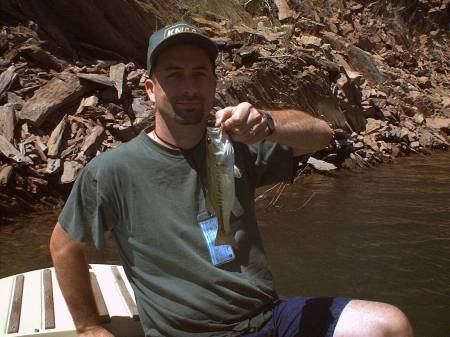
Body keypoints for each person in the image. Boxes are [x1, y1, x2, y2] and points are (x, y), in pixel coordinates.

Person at [49, 22, 413, 337]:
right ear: (150, 88)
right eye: (174, 74)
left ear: (213, 83)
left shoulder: (237, 143)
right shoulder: (113, 170)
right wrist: (88, 326)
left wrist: (268, 124)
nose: (189, 87)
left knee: (389, 324)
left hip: (269, 317)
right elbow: (65, 245)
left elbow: (321, 134)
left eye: (199, 74)